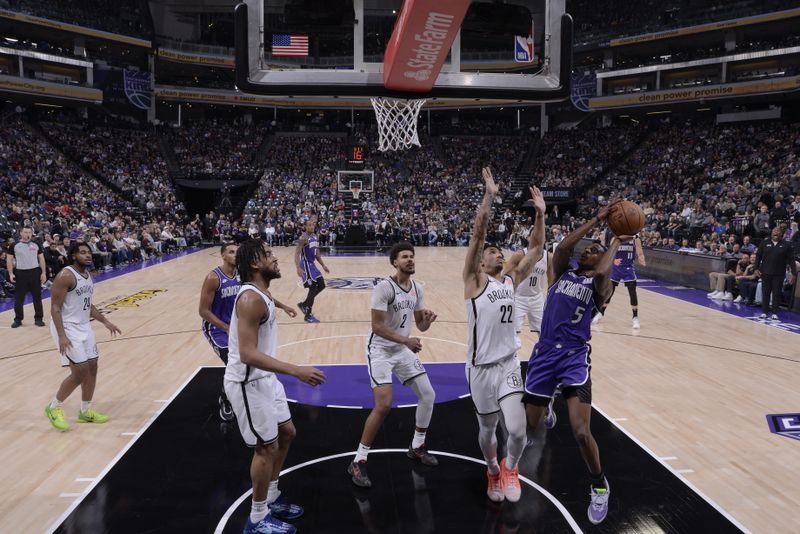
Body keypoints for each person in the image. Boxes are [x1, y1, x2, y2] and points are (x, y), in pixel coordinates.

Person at [523, 201, 624, 525]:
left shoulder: (600, 288)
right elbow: (563, 246)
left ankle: (599, 485)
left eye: (593, 250)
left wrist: (615, 241)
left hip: (574, 358)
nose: (587, 251)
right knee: (534, 424)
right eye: (589, 248)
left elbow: (605, 272)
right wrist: (596, 218)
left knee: (581, 432)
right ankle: (549, 401)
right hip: (543, 355)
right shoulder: (561, 273)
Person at [225, 239, 327, 534]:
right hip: (247, 382)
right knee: (265, 447)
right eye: (268, 254)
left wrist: (281, 305)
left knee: (287, 433)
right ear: (255, 264)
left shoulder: (261, 294)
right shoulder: (250, 299)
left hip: (265, 379)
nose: (275, 258)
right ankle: (256, 519)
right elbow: (247, 353)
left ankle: (270, 497)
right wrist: (296, 371)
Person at [462, 167, 547, 504]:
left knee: (517, 430)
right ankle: (492, 469)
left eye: (500, 251)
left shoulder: (510, 281)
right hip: (480, 369)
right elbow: (478, 235)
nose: (498, 253)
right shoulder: (474, 281)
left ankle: (511, 468)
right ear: (481, 262)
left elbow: (537, 250)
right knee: (487, 431)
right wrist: (489, 196)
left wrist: (540, 215)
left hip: (509, 364)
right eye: (492, 251)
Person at [348, 242, 439, 488]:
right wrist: (406, 340)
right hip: (380, 351)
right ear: (394, 262)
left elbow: (420, 325)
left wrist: (427, 322)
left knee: (428, 395)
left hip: (402, 349)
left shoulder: (418, 288)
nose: (410, 260)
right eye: (405, 257)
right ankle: (359, 460)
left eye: (412, 256)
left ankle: (417, 445)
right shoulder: (383, 288)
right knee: (384, 405)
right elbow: (377, 326)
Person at [44, 242, 122, 431]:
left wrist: (105, 321)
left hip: (84, 326)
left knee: (93, 368)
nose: (88, 255)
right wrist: (62, 336)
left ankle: (85, 411)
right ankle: (53, 407)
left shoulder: (87, 276)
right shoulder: (66, 276)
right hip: (67, 327)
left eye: (89, 253)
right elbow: (55, 308)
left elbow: (88, 304)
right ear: (73, 256)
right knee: (79, 372)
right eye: (82, 253)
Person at [199, 242, 240, 421]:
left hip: (236, 327)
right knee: (233, 363)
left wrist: (282, 305)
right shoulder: (213, 278)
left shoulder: (242, 274)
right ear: (223, 255)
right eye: (231, 252)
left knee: (242, 364)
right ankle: (225, 399)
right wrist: (225, 327)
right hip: (216, 329)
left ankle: (234, 393)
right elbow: (203, 311)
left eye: (237, 252)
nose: (235, 255)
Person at [593, 232, 647, 328]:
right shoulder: (616, 238)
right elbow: (609, 253)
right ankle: (600, 313)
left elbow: (640, 252)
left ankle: (635, 318)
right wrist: (613, 260)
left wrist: (641, 259)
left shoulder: (635, 238)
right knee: (609, 293)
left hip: (628, 269)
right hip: (616, 269)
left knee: (632, 292)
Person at [7, 227, 47, 328]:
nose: (27, 234)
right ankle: (18, 319)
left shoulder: (36, 244)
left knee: (37, 297)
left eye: (29, 232)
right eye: (25, 232)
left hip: (34, 272)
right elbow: (9, 260)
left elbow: (41, 259)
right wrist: (11, 273)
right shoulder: (14, 245)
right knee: (19, 298)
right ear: (21, 233)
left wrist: (43, 273)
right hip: (20, 273)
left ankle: (38, 318)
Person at [754, 226, 797, 320]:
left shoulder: (786, 245)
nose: (776, 233)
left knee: (776, 293)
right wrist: (756, 268)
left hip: (779, 273)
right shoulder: (764, 242)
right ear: (771, 233)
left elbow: (791, 260)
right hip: (765, 272)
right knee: (765, 293)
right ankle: (764, 312)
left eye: (778, 231)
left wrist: (794, 273)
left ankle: (774, 313)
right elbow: (758, 256)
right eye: (774, 231)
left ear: (781, 234)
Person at [295, 219, 330, 323]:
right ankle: (308, 315)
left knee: (322, 285)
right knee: (313, 287)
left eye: (313, 224)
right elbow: (297, 254)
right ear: (305, 227)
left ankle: (304, 304)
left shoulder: (315, 236)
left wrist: (323, 265)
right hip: (305, 265)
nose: (312, 226)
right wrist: (298, 267)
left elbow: (317, 252)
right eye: (309, 225)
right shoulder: (303, 238)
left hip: (312, 264)